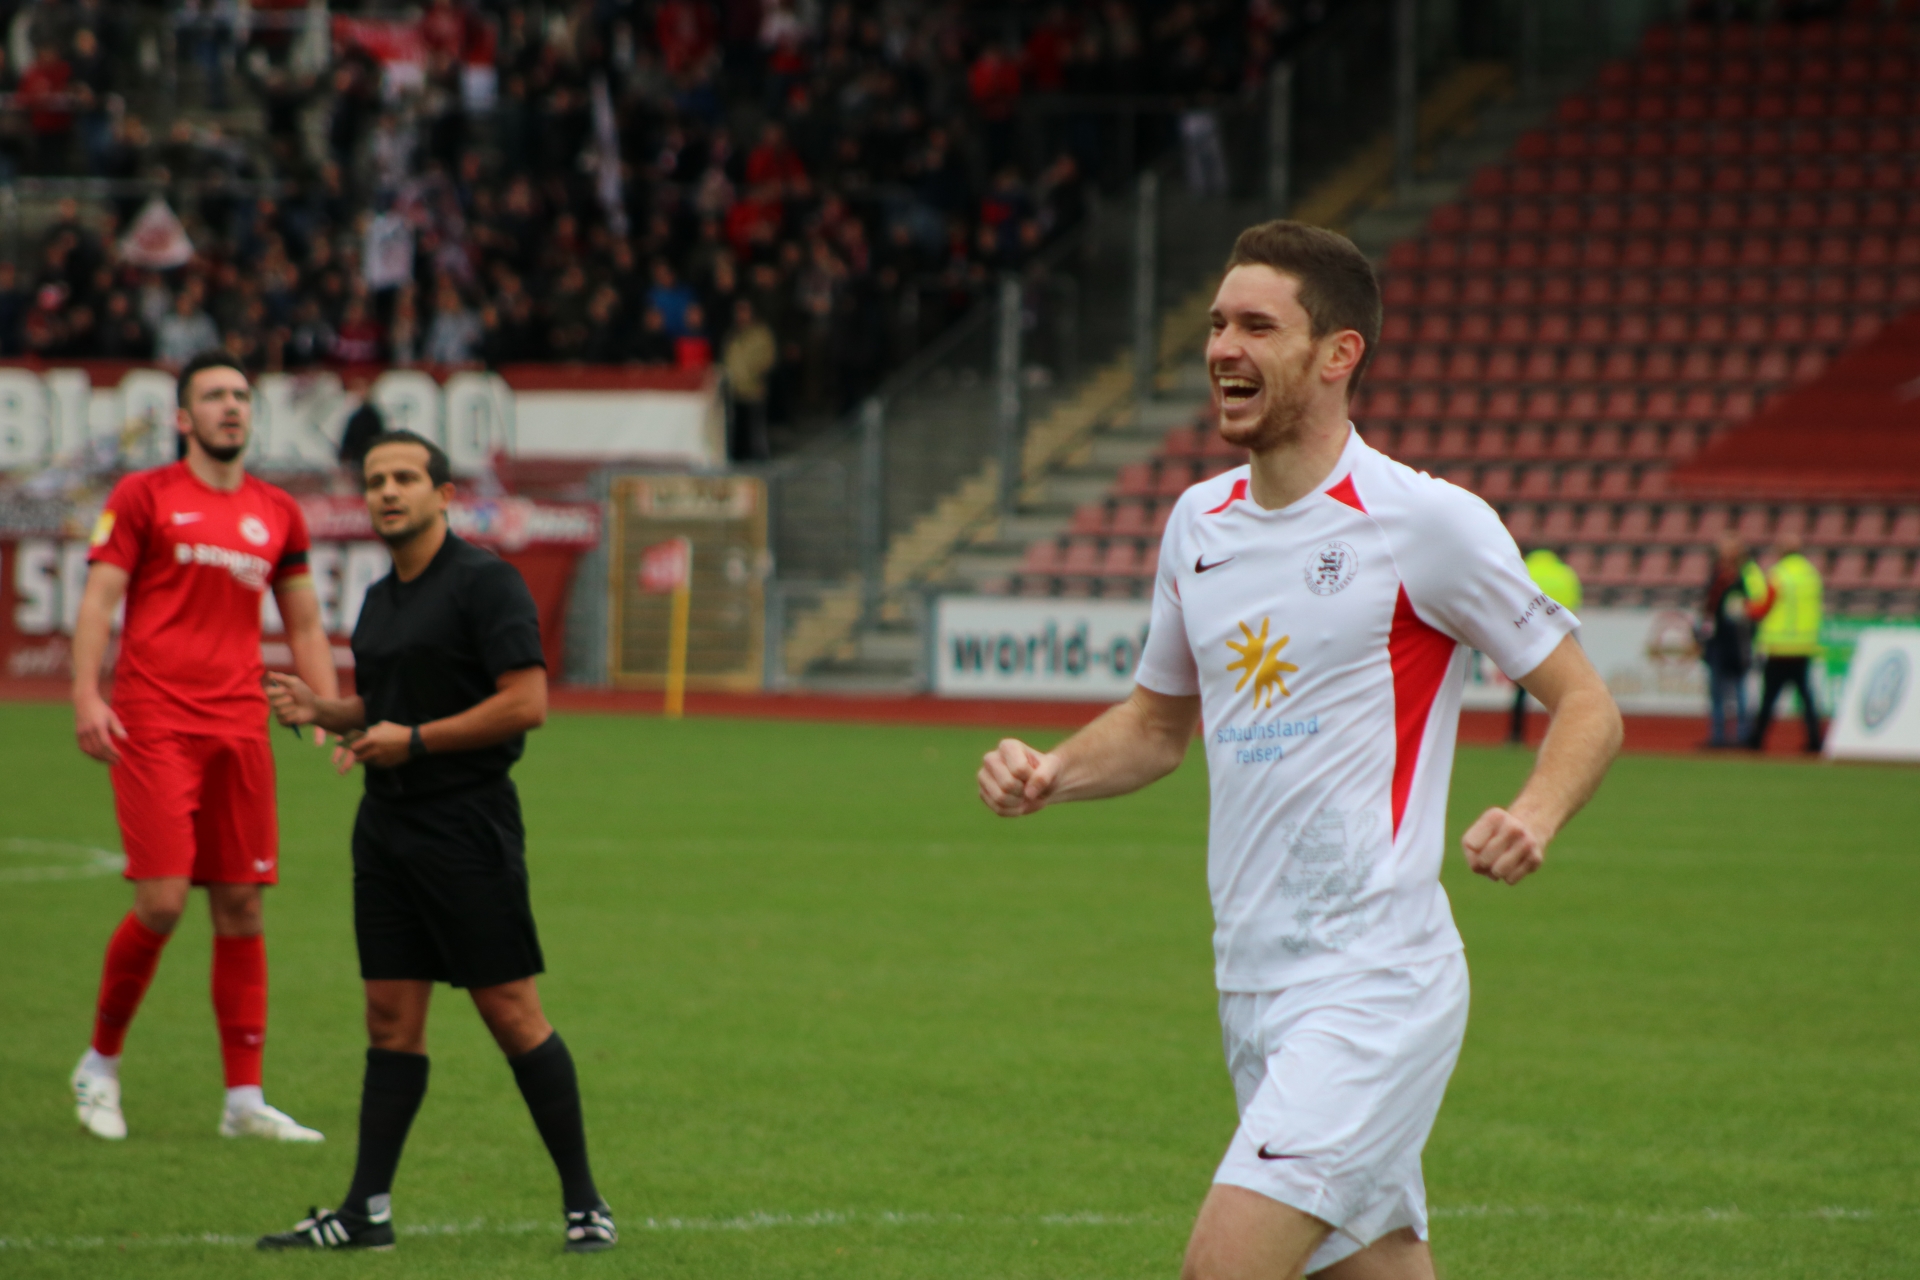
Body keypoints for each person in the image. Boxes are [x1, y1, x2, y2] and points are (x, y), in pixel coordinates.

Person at [976, 222, 1622, 1280]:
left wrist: (1536, 812)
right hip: (1251, 985)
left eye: (1256, 325)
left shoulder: (1423, 521)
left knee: (1220, 1268)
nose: (1223, 346)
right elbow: (1154, 727)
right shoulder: (1197, 524)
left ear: (1338, 354)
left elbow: (1588, 703)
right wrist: (1051, 772)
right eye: (1218, 322)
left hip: (1374, 981)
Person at [257, 430, 615, 1255]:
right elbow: (381, 705)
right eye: (377, 479)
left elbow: (526, 704)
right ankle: (364, 1212)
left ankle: (587, 1203)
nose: (388, 491)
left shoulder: (488, 583)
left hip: (465, 824)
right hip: (386, 830)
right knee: (389, 1020)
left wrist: (413, 741)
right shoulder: (380, 599)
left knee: (512, 1014)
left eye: (407, 478)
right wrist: (325, 710)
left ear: (445, 495)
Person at [69, 350, 339, 1143]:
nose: (232, 407)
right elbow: (98, 600)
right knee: (159, 900)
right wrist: (87, 693)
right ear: (183, 418)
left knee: (242, 905)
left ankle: (244, 1102)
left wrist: (329, 707)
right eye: (215, 397)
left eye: (242, 396)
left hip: (238, 725)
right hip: (154, 721)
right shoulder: (143, 496)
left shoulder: (278, 511)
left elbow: (305, 621)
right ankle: (100, 1065)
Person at [1745, 531, 1825, 753]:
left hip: (1780, 647)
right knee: (1807, 698)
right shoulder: (1811, 574)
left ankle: (1757, 739)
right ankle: (1815, 740)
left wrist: (1746, 608)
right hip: (1804, 645)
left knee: (1769, 698)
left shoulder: (1778, 575)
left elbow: (1762, 607)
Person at [1697, 533, 1766, 748]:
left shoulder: (1741, 578)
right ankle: (1721, 736)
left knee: (1735, 691)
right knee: (1721, 692)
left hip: (1734, 642)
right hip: (1723, 642)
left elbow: (1749, 610)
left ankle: (1739, 735)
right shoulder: (1721, 577)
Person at [1508, 548, 1582, 745]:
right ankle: (1568, 736)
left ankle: (1516, 735)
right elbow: (1575, 603)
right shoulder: (1565, 573)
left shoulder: (1525, 569)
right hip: (1564, 631)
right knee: (1570, 689)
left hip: (1530, 631)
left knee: (1522, 689)